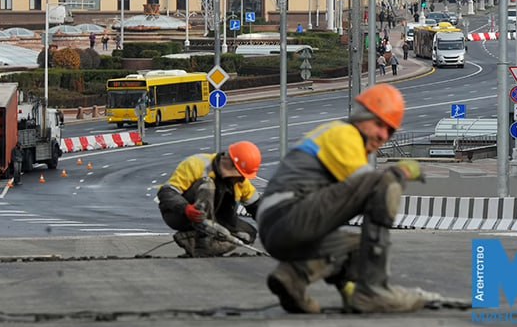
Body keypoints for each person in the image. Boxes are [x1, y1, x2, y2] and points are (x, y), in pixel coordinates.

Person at [258, 84, 439, 314]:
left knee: (357, 247)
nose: (383, 136)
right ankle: (374, 290)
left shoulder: (335, 135)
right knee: (383, 183)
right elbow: (373, 190)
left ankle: (293, 277)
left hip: (277, 225)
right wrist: (399, 174)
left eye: (390, 132)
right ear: (361, 117)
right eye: (379, 124)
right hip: (288, 215)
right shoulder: (346, 134)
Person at [157, 141, 262, 257]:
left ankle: (200, 246)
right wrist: (186, 208)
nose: (241, 179)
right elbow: (166, 192)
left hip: (214, 219)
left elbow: (258, 207)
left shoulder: (240, 183)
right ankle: (202, 238)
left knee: (247, 234)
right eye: (240, 175)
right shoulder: (197, 164)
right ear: (231, 165)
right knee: (208, 185)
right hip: (180, 214)